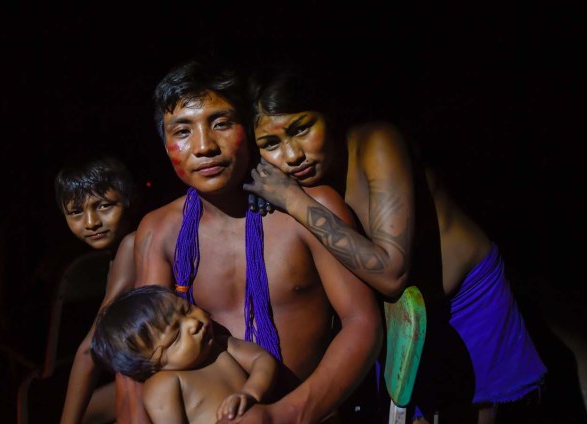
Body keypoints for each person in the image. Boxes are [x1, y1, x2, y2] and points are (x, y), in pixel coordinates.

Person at [243, 64, 548, 423]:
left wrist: (293, 201)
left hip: (467, 300)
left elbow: (391, 273)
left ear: (329, 114)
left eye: (302, 128)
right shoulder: (298, 181)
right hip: (399, 318)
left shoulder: (376, 144)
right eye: (271, 144)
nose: (292, 155)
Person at [114, 57, 383, 424]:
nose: (204, 145)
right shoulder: (159, 230)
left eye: (221, 123)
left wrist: (283, 415)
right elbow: (138, 350)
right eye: (182, 131)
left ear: (249, 128)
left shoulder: (308, 211)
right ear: (165, 145)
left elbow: (362, 323)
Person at [91, 284, 278, 423]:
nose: (193, 323)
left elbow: (261, 359)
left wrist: (251, 392)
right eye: (176, 335)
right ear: (155, 363)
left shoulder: (220, 345)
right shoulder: (164, 383)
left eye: (187, 309)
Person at [55, 153, 141, 424]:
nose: (91, 222)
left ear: (128, 201)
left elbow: (90, 350)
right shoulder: (117, 253)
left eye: (104, 206)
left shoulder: (132, 245)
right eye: (77, 212)